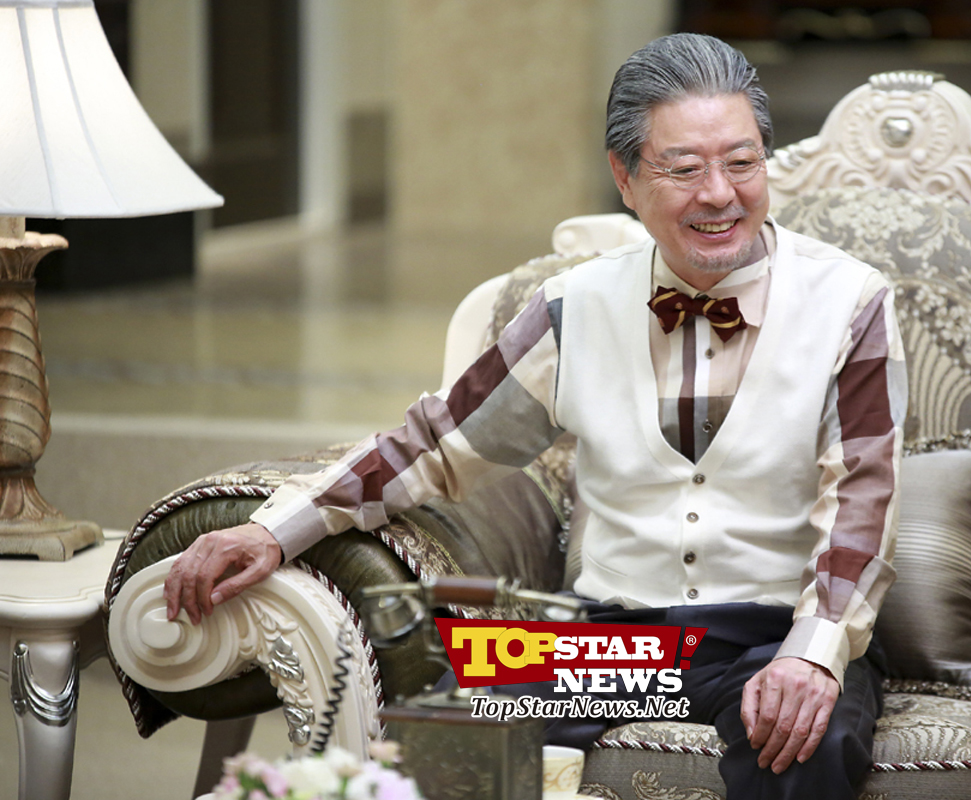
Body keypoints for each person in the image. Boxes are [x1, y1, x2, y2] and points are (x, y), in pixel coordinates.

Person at [164, 33, 906, 798]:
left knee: (809, 741)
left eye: (742, 162)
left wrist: (814, 651)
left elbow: (863, 500)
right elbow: (435, 444)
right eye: (684, 169)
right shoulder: (572, 308)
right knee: (448, 711)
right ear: (624, 177)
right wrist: (274, 530)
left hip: (775, 633)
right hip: (615, 639)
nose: (720, 193)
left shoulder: (849, 303)